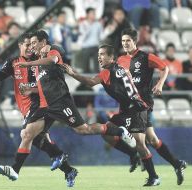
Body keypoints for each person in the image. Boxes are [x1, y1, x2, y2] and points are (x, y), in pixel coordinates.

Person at [0, 30, 136, 186]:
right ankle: (17, 169)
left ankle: (119, 131)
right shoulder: (37, 60)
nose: (32, 46)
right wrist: (30, 88)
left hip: (60, 101)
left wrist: (28, 64)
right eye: (30, 44)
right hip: (45, 105)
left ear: (43, 42)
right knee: (28, 134)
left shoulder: (55, 49)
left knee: (83, 130)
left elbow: (53, 60)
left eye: (34, 43)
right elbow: (43, 83)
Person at [63, 44, 161, 186]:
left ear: (111, 57)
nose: (99, 57)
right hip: (128, 109)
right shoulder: (121, 67)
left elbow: (91, 82)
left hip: (136, 109)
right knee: (107, 132)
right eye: (98, 54)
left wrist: (72, 74)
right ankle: (132, 154)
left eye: (102, 54)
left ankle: (154, 176)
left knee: (140, 145)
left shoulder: (107, 72)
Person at [0, 33, 78, 187]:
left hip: (40, 104)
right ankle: (68, 169)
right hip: (27, 108)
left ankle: (15, 169)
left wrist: (53, 46)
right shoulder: (14, 62)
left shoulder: (39, 60)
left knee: (26, 134)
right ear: (20, 46)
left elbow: (59, 52)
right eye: (27, 45)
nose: (30, 48)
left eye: (32, 44)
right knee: (37, 139)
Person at [116, 28, 187, 185]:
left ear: (135, 41)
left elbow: (164, 68)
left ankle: (152, 175)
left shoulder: (146, 57)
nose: (125, 43)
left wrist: (160, 84)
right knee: (152, 140)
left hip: (143, 104)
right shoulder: (120, 60)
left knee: (138, 140)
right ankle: (177, 164)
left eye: (128, 40)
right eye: (123, 41)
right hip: (129, 104)